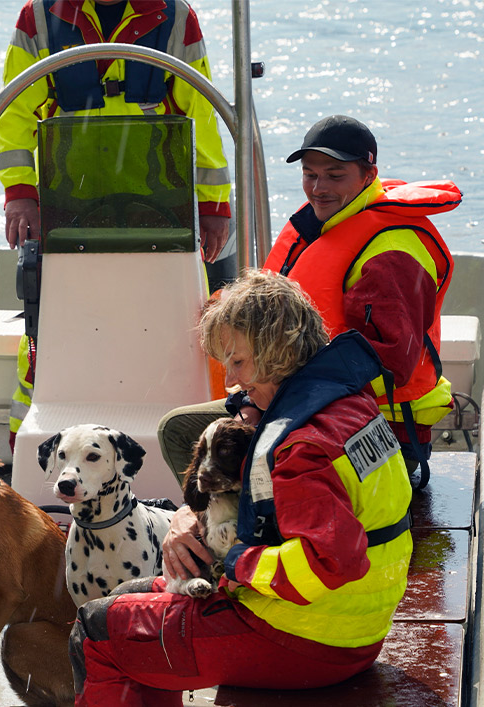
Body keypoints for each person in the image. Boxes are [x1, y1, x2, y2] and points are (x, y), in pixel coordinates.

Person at [70, 270, 414, 706]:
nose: (232, 381)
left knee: (96, 630)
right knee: (125, 596)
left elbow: (331, 564)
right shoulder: (349, 402)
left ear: (277, 352)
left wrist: (236, 561)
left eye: (238, 361)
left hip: (303, 637)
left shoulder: (302, 450)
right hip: (355, 624)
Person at [158, 115, 459, 487]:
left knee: (181, 432)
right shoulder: (327, 223)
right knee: (178, 427)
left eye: (335, 175)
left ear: (368, 175)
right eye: (310, 174)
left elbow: (388, 364)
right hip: (305, 402)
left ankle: (241, 537)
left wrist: (275, 401)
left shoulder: (391, 254)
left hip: (377, 428)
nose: (318, 188)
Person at [0, 0, 235, 448]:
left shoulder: (177, 16)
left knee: (179, 334)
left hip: (163, 214)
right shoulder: (38, 17)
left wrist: (214, 205)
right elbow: (11, 111)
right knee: (47, 339)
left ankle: (187, 447)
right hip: (66, 213)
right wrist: (21, 194)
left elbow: (202, 113)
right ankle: (22, 455)